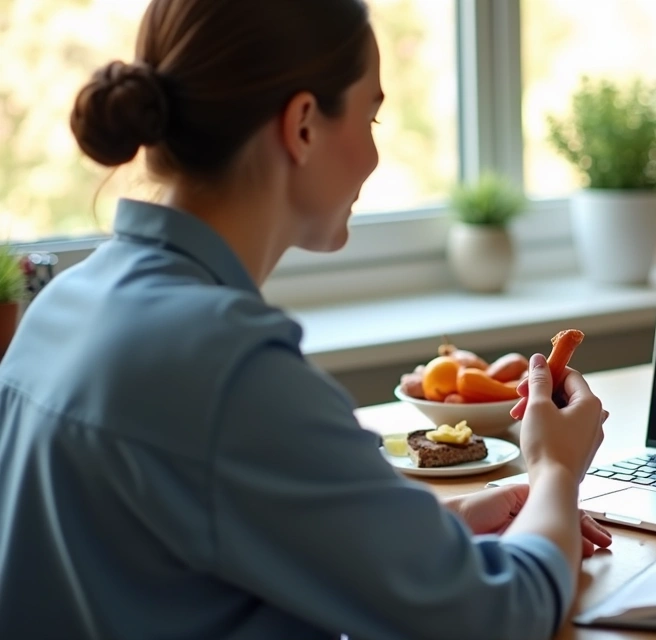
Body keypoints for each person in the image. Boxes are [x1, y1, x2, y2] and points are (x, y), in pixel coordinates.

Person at [0, 1, 611, 638]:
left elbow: (170, 553)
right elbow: (500, 617)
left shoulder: (64, 305)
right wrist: (555, 471)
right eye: (371, 116)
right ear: (302, 126)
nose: (374, 157)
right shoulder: (230, 370)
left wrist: (438, 533)